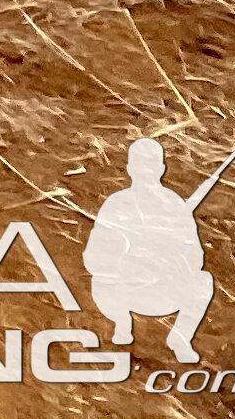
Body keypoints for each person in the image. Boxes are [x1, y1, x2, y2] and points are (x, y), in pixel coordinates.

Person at [85, 139, 218, 361]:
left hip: (164, 290)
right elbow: (93, 257)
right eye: (140, 164)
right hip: (124, 289)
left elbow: (195, 255)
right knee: (99, 282)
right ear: (129, 169)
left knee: (203, 281)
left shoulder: (175, 205)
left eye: (151, 164)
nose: (146, 170)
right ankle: (121, 322)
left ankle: (180, 338)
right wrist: (128, 263)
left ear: (161, 169)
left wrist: (175, 259)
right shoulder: (116, 204)